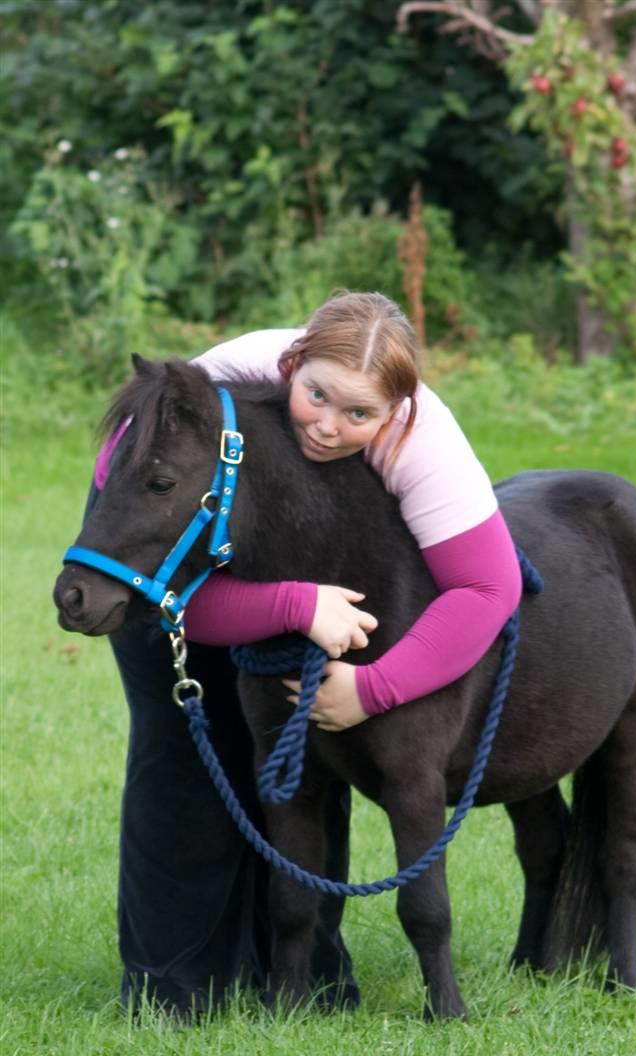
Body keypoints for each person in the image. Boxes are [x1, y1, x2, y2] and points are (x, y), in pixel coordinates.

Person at [92, 292, 522, 1017]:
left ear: (395, 415)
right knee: (189, 752)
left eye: (358, 415)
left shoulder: (420, 445)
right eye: (316, 395)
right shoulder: (207, 392)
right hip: (145, 521)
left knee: (301, 762)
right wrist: (296, 604)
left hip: (277, 541)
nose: (326, 426)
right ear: (291, 364)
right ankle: (174, 985)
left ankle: (309, 977)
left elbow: (490, 588)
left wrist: (374, 688)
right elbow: (160, 588)